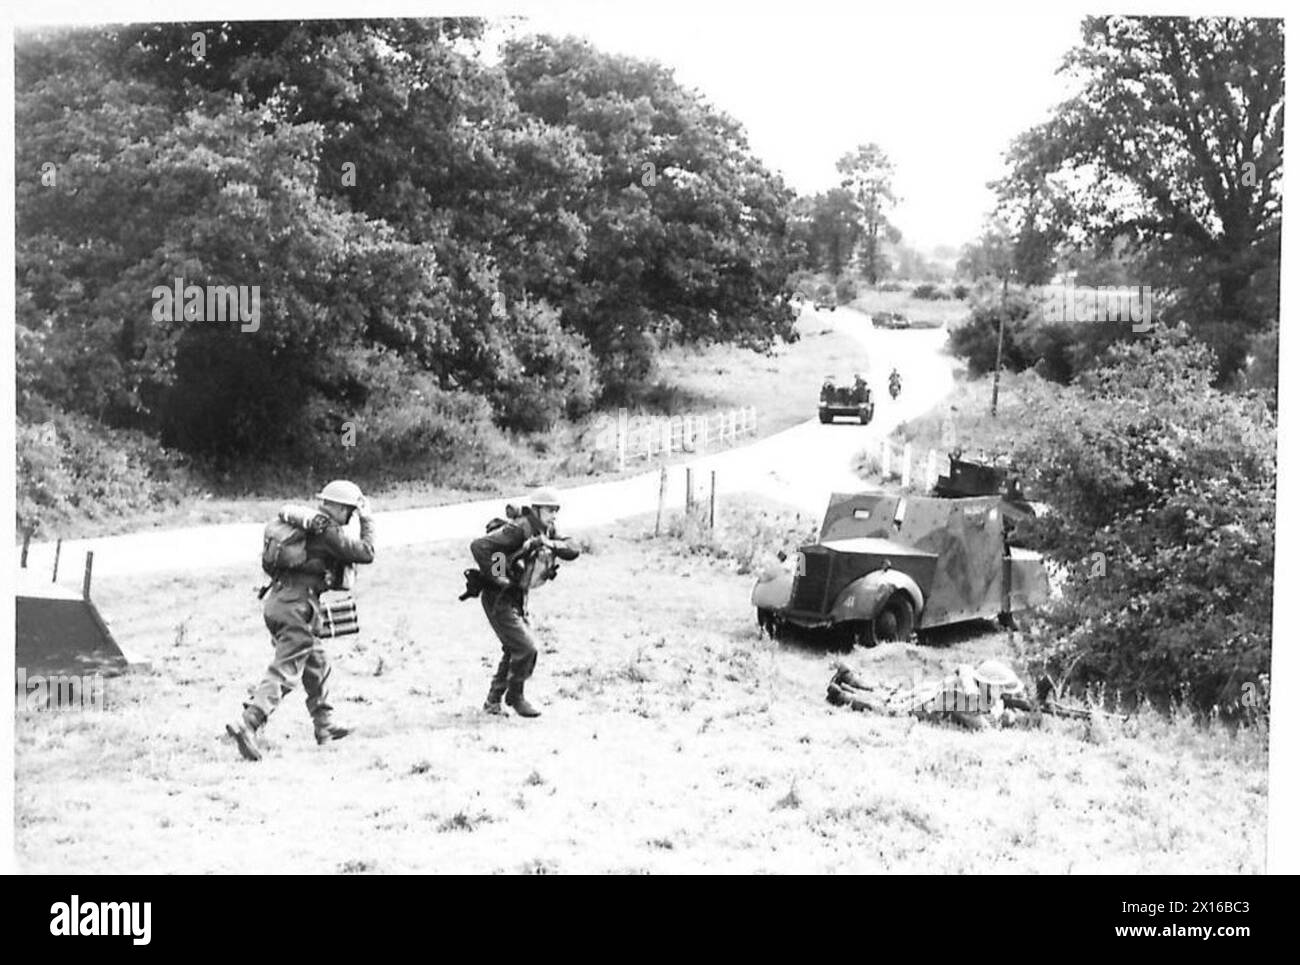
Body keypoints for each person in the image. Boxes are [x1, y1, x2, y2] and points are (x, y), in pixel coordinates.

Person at [226, 480, 376, 761]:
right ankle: (249, 722)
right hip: (297, 606)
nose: (351, 518)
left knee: (316, 662)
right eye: (351, 512)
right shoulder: (326, 531)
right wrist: (368, 520)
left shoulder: (304, 524)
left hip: (278, 601)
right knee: (286, 669)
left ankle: (325, 725)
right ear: (341, 509)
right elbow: (366, 553)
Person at [471, 487, 580, 718]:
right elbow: (482, 546)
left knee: (515, 648)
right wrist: (499, 576)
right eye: (550, 510)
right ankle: (515, 696)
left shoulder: (546, 531)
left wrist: (551, 545)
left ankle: (492, 703)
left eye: (556, 511)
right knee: (527, 647)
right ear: (537, 509)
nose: (554, 515)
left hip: (516, 597)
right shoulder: (519, 529)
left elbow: (573, 548)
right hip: (497, 596)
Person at [827, 659, 1025, 731]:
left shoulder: (970, 687)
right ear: (987, 685)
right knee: (887, 707)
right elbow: (984, 728)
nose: (1001, 694)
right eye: (998, 689)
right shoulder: (971, 703)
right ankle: (842, 695)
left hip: (927, 694)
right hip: (923, 704)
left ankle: (849, 681)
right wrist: (1006, 718)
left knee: (889, 694)